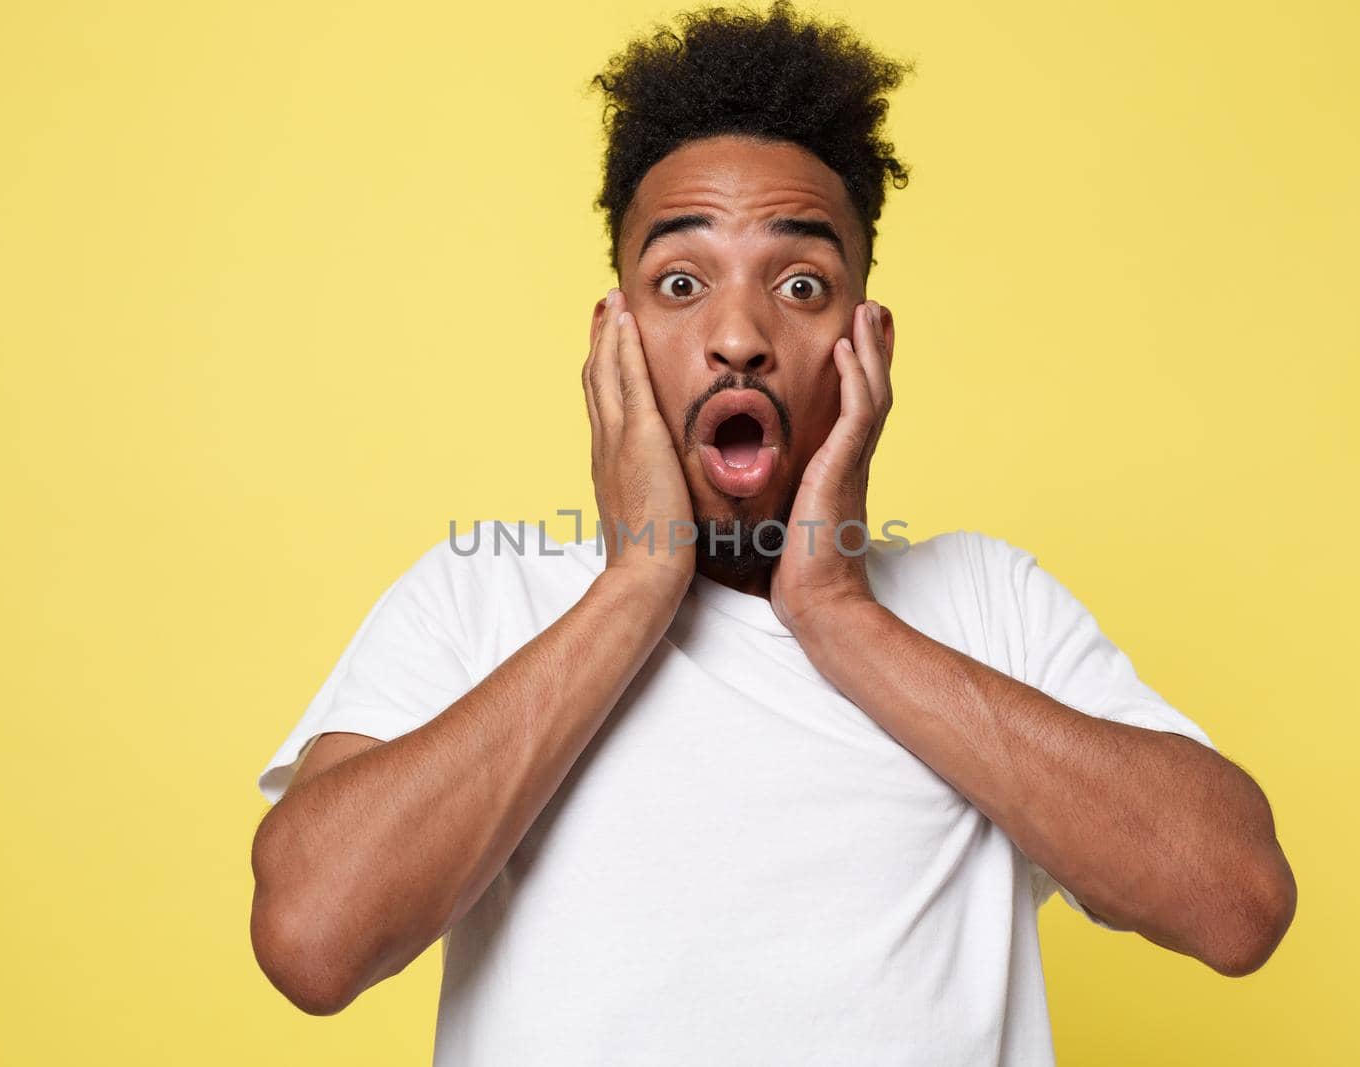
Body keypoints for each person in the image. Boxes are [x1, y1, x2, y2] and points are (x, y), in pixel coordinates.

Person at [248, 3, 1296, 1062]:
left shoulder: (988, 599)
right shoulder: (481, 595)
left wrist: (837, 611)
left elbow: (1235, 901)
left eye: (800, 284)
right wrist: (636, 583)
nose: (739, 337)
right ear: (614, 336)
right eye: (679, 282)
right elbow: (312, 938)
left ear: (865, 342)